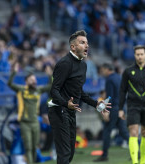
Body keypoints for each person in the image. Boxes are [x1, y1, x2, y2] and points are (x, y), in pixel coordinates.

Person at [48, 30, 111, 164]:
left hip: (70, 111)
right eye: (82, 43)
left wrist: (97, 104)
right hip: (59, 110)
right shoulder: (64, 63)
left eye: (87, 43)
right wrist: (66, 103)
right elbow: (54, 90)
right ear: (73, 47)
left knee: (70, 153)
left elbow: (80, 93)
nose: (86, 45)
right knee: (64, 154)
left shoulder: (83, 65)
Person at [119, 45, 145, 164]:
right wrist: (121, 109)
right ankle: (135, 162)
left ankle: (143, 161)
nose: (140, 56)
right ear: (134, 56)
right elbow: (122, 91)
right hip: (133, 105)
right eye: (137, 54)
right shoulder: (128, 71)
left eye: (142, 54)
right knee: (133, 132)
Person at [8, 63, 52, 164]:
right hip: (25, 123)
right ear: (26, 81)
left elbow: (50, 86)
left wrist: (49, 75)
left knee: (34, 147)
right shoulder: (22, 90)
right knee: (28, 147)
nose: (34, 81)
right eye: (32, 80)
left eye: (35, 80)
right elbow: (10, 84)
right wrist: (13, 73)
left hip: (35, 122)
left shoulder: (38, 90)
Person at [93, 63, 129, 162]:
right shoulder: (119, 77)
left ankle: (104, 155)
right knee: (124, 131)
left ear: (106, 69)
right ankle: (137, 151)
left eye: (102, 70)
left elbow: (110, 97)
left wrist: (106, 111)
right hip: (121, 107)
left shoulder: (109, 80)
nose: (101, 72)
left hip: (113, 109)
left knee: (107, 131)